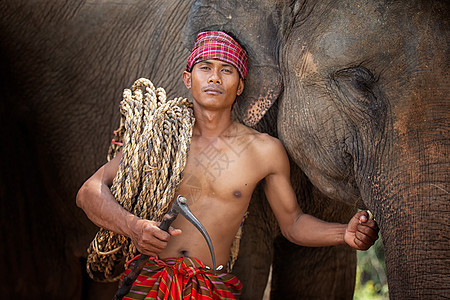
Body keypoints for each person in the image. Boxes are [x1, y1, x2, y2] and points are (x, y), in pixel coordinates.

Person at [76, 31, 379, 299]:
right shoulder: (159, 137)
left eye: (227, 70)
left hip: (211, 288)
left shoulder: (264, 151)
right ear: (187, 79)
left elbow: (293, 223)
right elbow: (88, 192)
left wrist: (344, 234)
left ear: (241, 85)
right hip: (150, 282)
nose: (215, 78)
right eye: (205, 68)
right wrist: (133, 226)